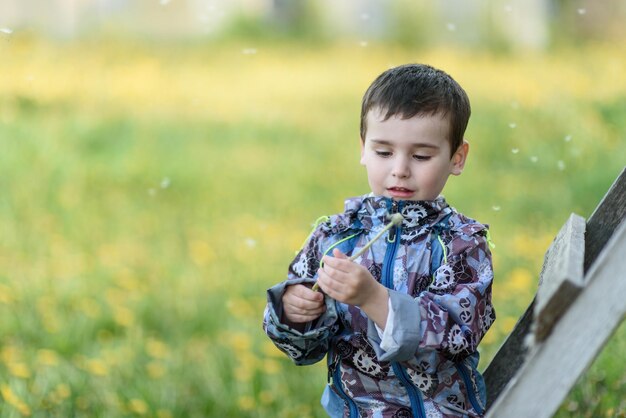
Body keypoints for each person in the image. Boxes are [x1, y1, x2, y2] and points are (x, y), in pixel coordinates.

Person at [263, 63, 496, 418]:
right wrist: (295, 312)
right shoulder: (336, 236)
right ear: (363, 148)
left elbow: (455, 339)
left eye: (421, 156)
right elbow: (304, 350)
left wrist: (374, 299)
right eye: (383, 152)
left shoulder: (462, 245)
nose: (400, 168)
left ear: (457, 158)